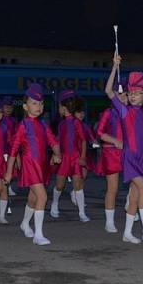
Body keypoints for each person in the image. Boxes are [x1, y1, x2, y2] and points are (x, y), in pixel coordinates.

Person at [105, 53, 143, 245]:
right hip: (129, 157)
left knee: (136, 197)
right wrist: (114, 67)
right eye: (130, 93)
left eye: (137, 93)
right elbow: (108, 91)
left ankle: (127, 233)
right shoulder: (124, 111)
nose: (133, 96)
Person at [5, 83, 61, 246]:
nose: (38, 106)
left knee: (33, 198)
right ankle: (38, 234)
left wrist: (57, 153)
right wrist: (9, 172)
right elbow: (13, 150)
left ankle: (24, 223)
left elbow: (53, 141)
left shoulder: (43, 124)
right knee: (42, 197)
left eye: (41, 103)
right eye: (34, 103)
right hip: (30, 165)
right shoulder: (23, 126)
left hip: (42, 165)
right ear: (25, 106)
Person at [51, 90, 89, 222]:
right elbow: (58, 140)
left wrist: (83, 157)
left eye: (60, 107)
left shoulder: (76, 122)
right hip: (63, 157)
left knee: (78, 184)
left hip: (75, 157)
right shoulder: (61, 124)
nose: (59, 109)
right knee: (60, 186)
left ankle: (82, 213)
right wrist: (54, 154)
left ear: (64, 108)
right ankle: (54, 204)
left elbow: (83, 140)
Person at [96, 81, 126, 233]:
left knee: (137, 183)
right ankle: (109, 221)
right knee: (112, 188)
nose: (123, 97)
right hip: (111, 153)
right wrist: (115, 141)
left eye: (125, 94)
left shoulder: (130, 112)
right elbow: (100, 133)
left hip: (128, 153)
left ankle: (132, 207)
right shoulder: (109, 112)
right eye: (119, 94)